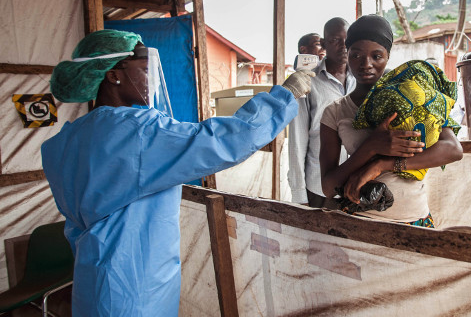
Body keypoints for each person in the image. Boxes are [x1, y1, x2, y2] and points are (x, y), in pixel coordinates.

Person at [41, 29, 313, 316]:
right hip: (134, 285)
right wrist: (286, 95)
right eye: (144, 71)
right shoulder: (137, 132)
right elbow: (223, 141)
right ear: (113, 75)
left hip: (91, 275)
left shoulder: (64, 142)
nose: (151, 80)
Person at [319, 15, 463, 228]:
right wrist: (370, 148)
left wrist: (382, 164)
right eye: (356, 54)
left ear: (388, 56)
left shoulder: (416, 97)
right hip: (359, 222)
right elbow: (328, 187)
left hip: (415, 220)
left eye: (376, 56)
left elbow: (453, 149)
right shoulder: (336, 112)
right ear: (347, 55)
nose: (366, 64)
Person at [288, 17, 355, 207]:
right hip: (319, 188)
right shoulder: (307, 80)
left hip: (356, 186)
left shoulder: (360, 78)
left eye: (347, 40)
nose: (343, 47)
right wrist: (299, 194)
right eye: (335, 40)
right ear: (324, 44)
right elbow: (297, 141)